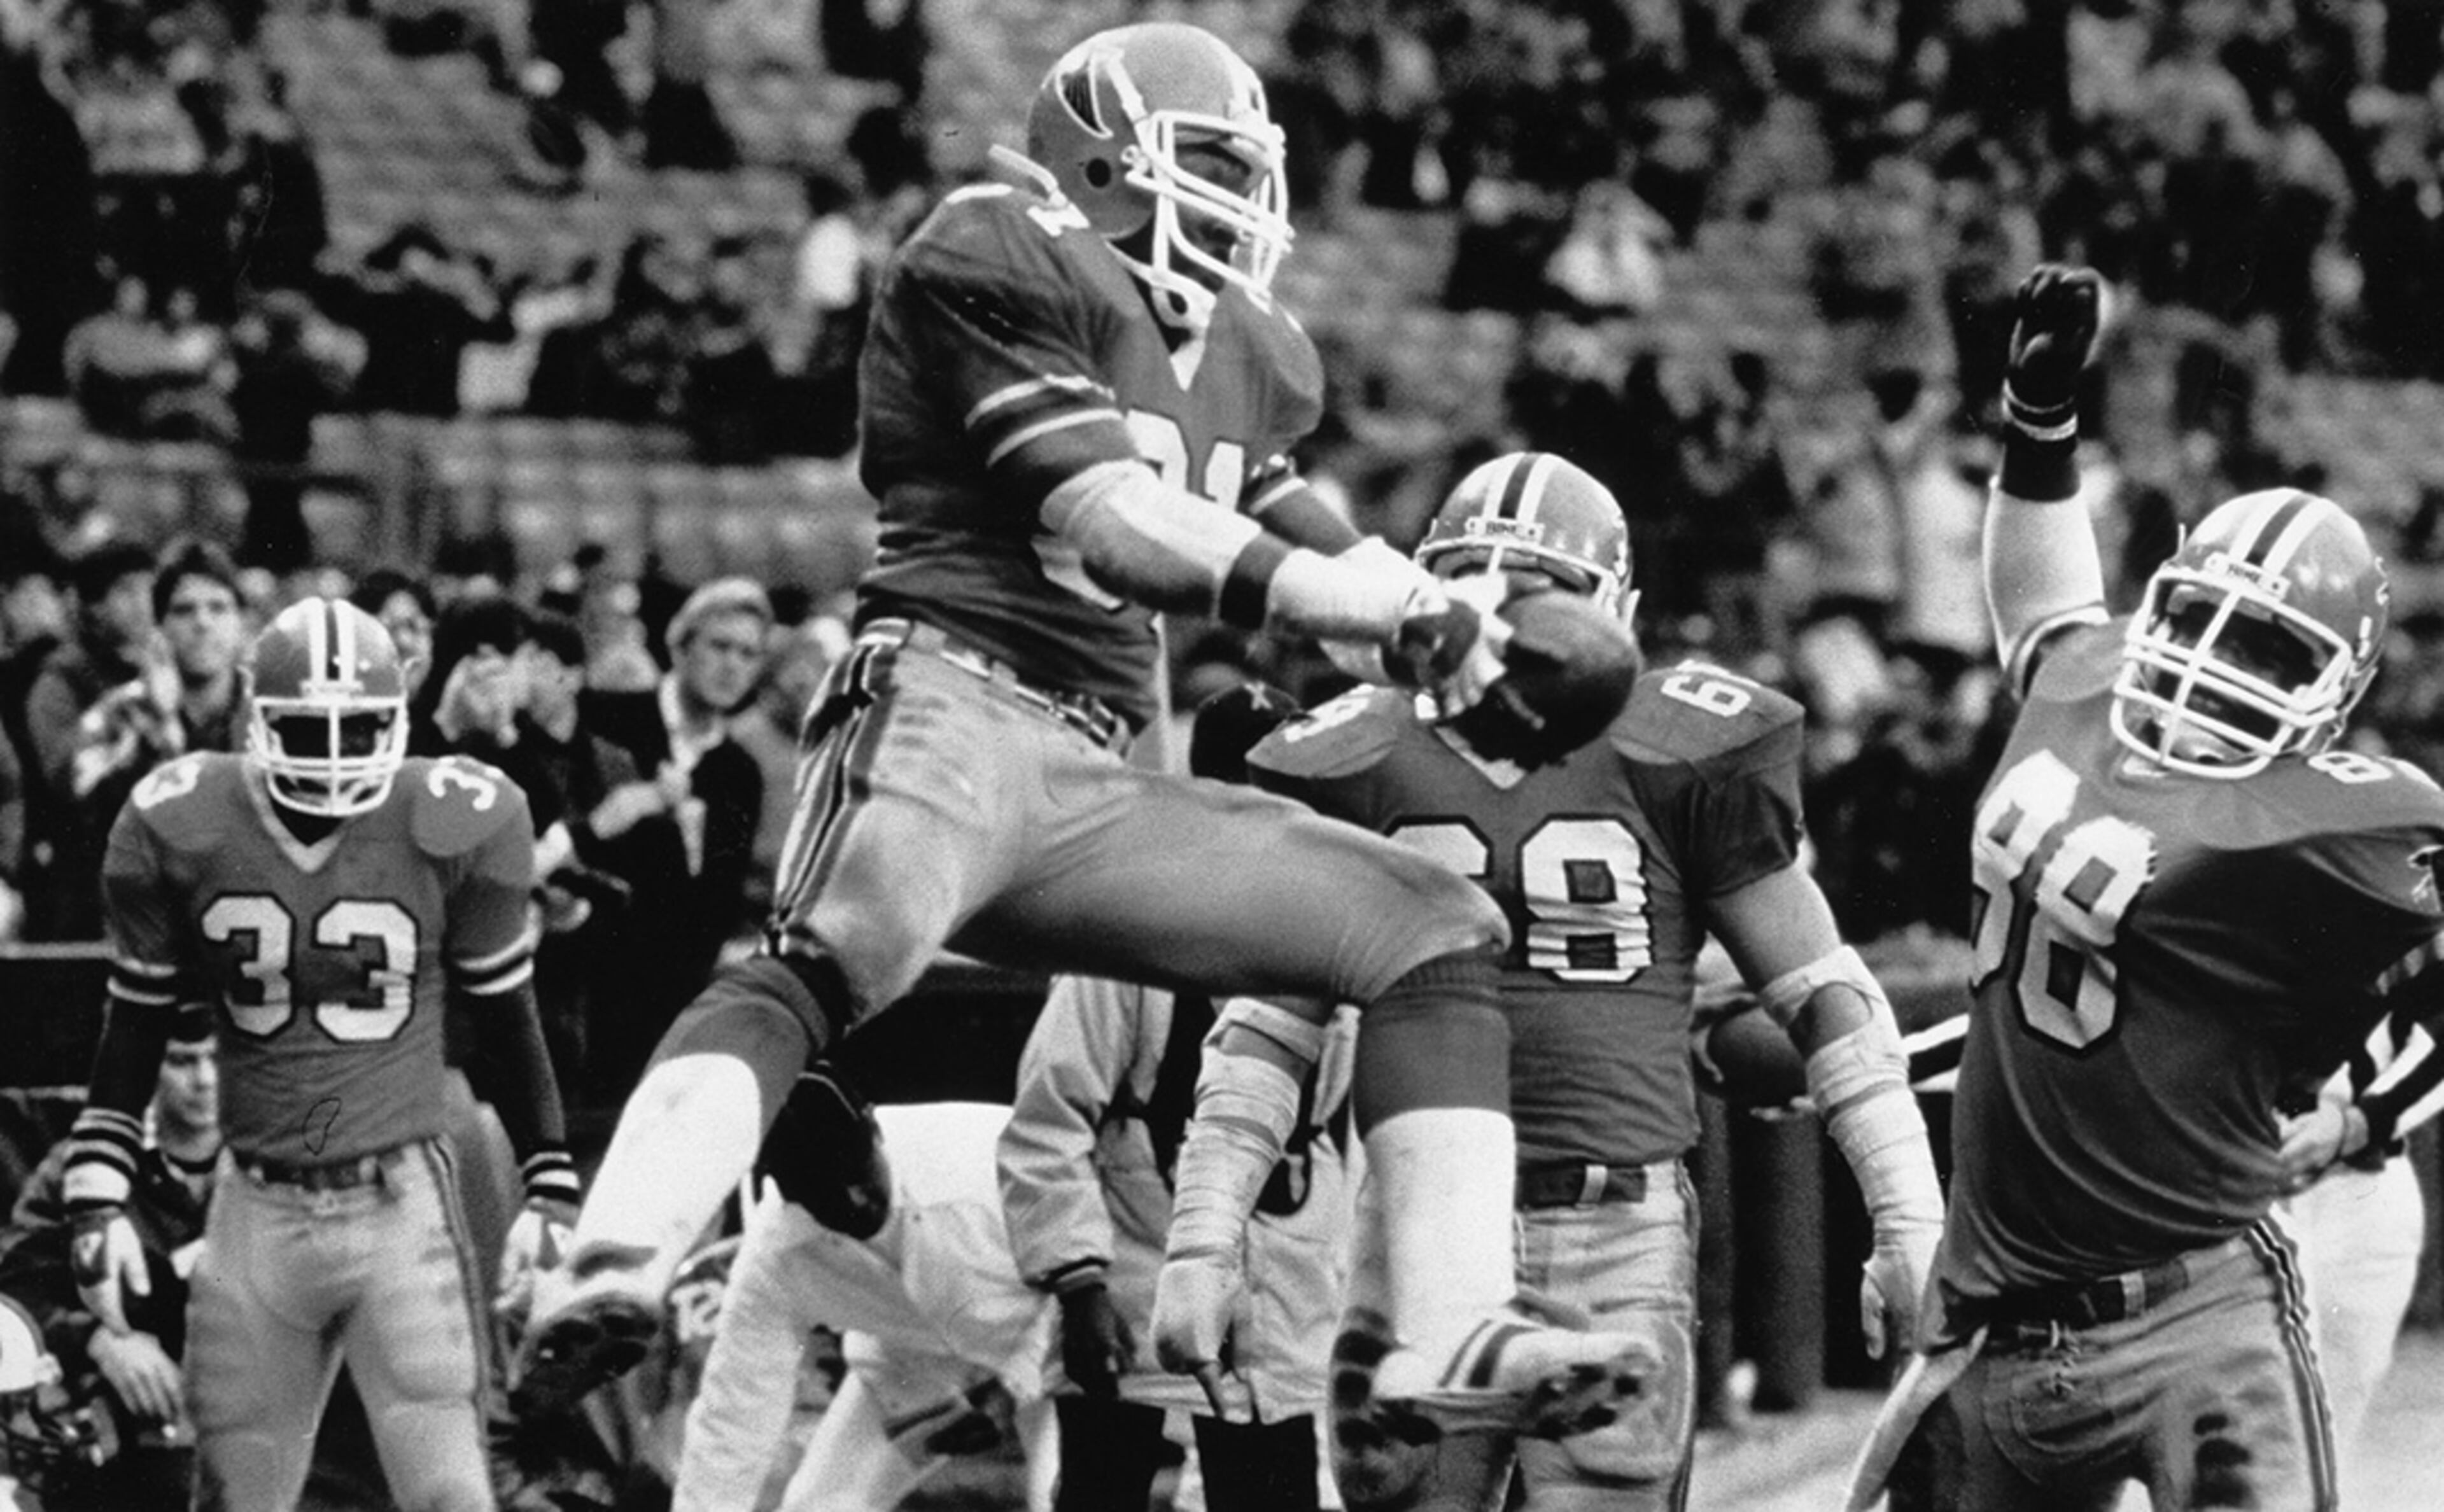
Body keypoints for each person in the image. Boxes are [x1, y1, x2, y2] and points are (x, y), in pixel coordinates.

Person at [516, 20, 1655, 1464]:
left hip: (1104, 770)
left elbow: (1286, 519)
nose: (1250, 206)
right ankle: (616, 1253)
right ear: (1107, 165)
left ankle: (1456, 1323)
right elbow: (1109, 512)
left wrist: (1429, 627)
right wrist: (1338, 589)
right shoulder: (994, 247)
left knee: (1431, 926)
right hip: (947, 705)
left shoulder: (1252, 354)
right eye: (1215, 167)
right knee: (831, 959)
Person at [1180, 452, 1943, 1511]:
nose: (1513, 621)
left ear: (1613, 614)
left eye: (1539, 593)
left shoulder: (1672, 750)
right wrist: (1206, 1238)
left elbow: (1822, 992)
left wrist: (1909, 1216)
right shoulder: (1355, 752)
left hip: (1609, 1227)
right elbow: (1271, 1026)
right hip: (1425, 1234)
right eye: (1481, 586)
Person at [1845, 265, 2444, 1512]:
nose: (2218, 665)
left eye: (2269, 648)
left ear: (2335, 694)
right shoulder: (2085, 684)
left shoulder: (2326, 821)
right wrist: (2042, 419)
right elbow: (2043, 602)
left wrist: (2375, 1105)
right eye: (2200, 617)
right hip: (2000, 1299)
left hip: (2200, 1293)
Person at [55, 597, 582, 1511]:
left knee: (455, 1496)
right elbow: (136, 1018)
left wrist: (548, 1176)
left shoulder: (458, 816)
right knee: (232, 1501)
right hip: (255, 1201)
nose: (333, 754)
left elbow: (507, 1015)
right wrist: (98, 1183)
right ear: (257, 720)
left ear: (403, 717)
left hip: (400, 1200)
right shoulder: (182, 819)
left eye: (357, 727)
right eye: (306, 728)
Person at [1001, 971, 1358, 1512]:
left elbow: (1330, 1128)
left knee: (1269, 1488)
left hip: (1276, 1291)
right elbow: (1048, 1121)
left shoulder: (1316, 951)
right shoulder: (1119, 957)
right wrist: (1079, 1284)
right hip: (1134, 1278)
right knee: (1105, 1488)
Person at [671, 1068, 1057, 1512]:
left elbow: (1098, 1273)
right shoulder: (776, 1256)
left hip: (1059, 1341)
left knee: (1064, 1498)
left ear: (875, 1131)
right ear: (787, 1194)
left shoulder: (988, 1156)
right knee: (816, 1506)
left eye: (858, 1173)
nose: (854, 1200)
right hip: (912, 1361)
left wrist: (1017, 1381)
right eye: (826, 1197)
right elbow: (733, 1420)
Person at [0, 1011, 217, 1509]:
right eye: (182, 1061)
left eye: (215, 1058)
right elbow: (13, 1281)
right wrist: (98, 1341)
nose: (204, 1080)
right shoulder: (85, 1167)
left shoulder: (277, 1162)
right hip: (133, 1432)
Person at [580, 576, 772, 1094]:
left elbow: (716, 902)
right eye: (720, 646)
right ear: (681, 647)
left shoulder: (739, 772)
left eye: (749, 654)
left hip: (673, 1004)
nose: (733, 664)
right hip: (587, 988)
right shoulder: (606, 719)